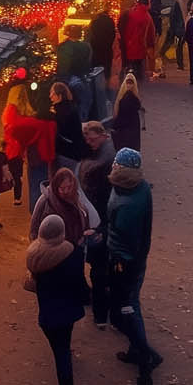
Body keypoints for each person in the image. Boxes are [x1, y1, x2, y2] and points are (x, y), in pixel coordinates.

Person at [107, 147, 161, 385]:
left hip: (125, 264)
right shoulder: (141, 188)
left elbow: (124, 236)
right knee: (129, 308)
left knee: (125, 311)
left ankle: (145, 365)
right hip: (135, 260)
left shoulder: (128, 204)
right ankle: (139, 351)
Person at [27, 211, 89, 385]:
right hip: (67, 312)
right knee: (62, 355)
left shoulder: (35, 256)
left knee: (60, 349)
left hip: (47, 315)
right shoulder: (73, 255)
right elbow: (81, 287)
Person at [79, 121, 115, 330]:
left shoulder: (101, 162)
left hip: (100, 223)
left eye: (92, 139)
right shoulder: (105, 151)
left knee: (99, 270)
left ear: (102, 136)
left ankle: (101, 313)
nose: (90, 143)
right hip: (101, 221)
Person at [31, 165, 97, 245]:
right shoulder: (45, 201)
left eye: (69, 187)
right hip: (53, 250)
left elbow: (84, 220)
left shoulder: (78, 198)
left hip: (75, 248)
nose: (66, 191)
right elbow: (34, 229)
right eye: (62, 189)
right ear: (56, 187)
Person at [87, 7, 118, 116]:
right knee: (106, 69)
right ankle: (106, 89)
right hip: (107, 50)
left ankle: (98, 91)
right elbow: (113, 35)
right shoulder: (110, 21)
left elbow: (90, 36)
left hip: (96, 51)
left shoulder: (94, 22)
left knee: (96, 70)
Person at [118, 0, 156, 82]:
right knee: (138, 66)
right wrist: (151, 45)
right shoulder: (148, 16)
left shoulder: (130, 13)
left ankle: (126, 79)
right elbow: (151, 34)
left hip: (128, 44)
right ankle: (138, 81)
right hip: (141, 46)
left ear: (138, 3)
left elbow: (122, 27)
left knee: (128, 65)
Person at [108, 72, 144, 153]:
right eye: (128, 83)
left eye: (131, 83)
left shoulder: (127, 95)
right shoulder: (128, 96)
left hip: (129, 124)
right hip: (129, 124)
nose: (129, 85)